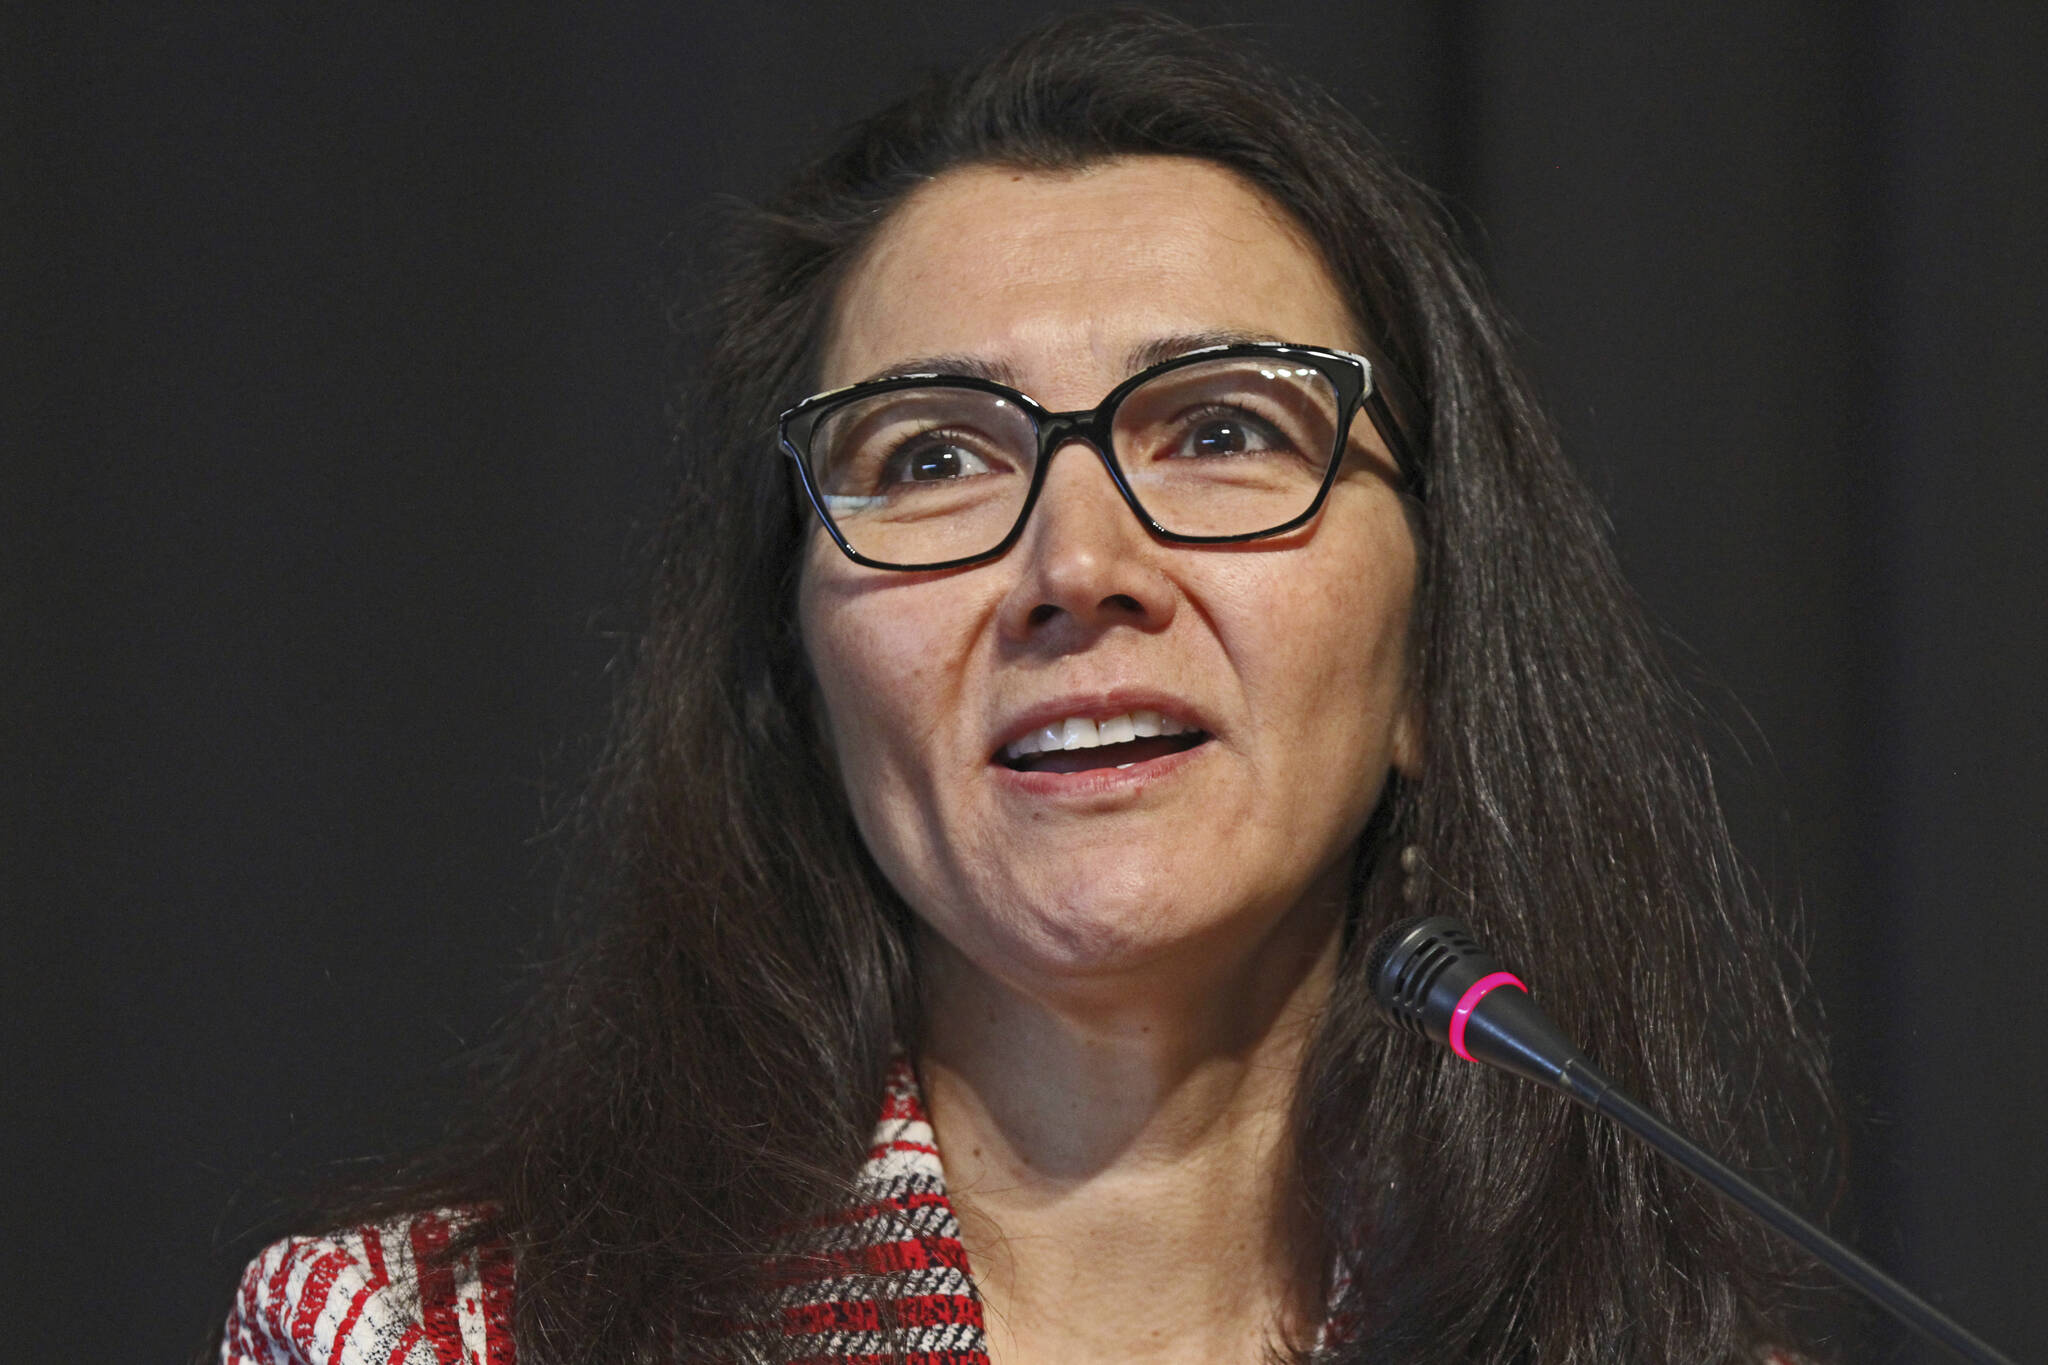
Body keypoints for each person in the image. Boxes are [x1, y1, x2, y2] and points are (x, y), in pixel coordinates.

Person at [218, 11, 1836, 1364]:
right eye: (931, 456)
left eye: (1220, 432)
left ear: (1429, 657)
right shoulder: (425, 1340)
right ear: (797, 673)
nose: (1079, 564)